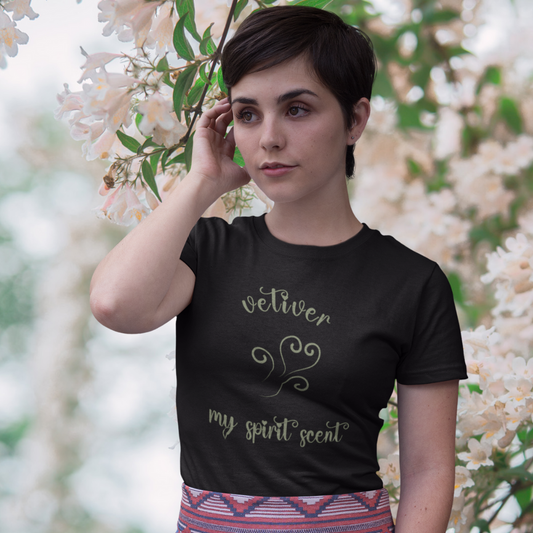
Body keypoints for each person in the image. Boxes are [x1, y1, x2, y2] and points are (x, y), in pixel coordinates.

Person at [90, 6, 467, 533]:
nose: (268, 137)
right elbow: (115, 305)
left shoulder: (413, 284)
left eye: (296, 109)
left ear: (355, 119)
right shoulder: (208, 251)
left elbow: (429, 470)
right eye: (247, 114)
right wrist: (202, 183)